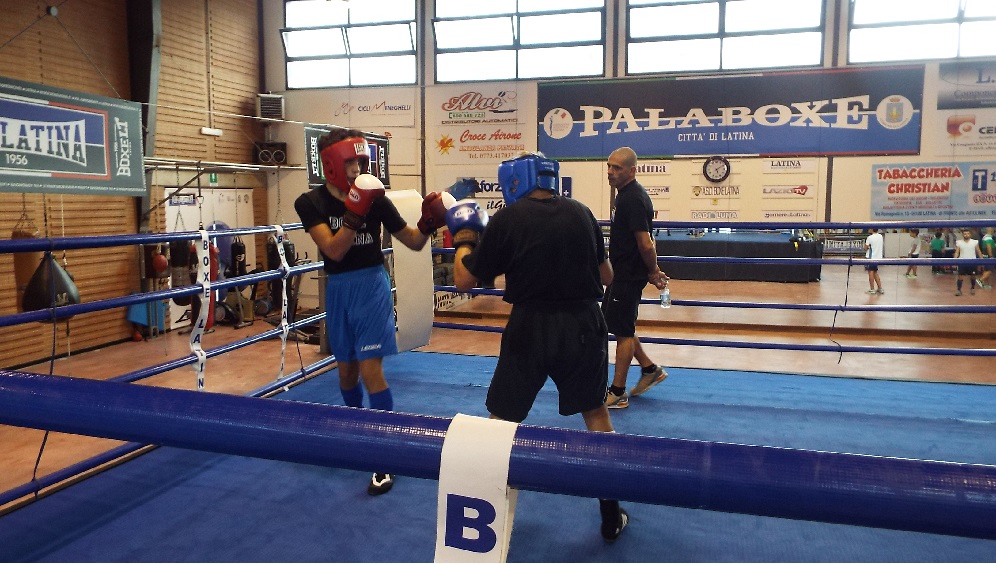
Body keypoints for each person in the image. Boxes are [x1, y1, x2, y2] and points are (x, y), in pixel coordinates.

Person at [448, 152, 629, 542]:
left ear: (514, 180)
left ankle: (484, 517)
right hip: (583, 324)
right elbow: (607, 275)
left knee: (502, 421)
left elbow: (464, 280)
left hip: (530, 326)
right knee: (596, 414)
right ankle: (611, 514)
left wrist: (463, 237)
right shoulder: (583, 212)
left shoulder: (508, 219)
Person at [294, 128, 448, 496]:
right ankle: (357, 428)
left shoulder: (375, 197)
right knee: (346, 372)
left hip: (371, 287)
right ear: (332, 164)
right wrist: (354, 212)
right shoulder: (310, 202)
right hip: (338, 289)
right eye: (351, 161)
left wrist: (429, 222)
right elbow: (334, 251)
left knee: (369, 369)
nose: (358, 168)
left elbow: (412, 241)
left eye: (361, 161)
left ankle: (385, 453)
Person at [601, 147, 669, 409]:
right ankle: (649, 369)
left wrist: (653, 271)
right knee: (620, 325)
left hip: (628, 275)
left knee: (624, 332)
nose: (610, 172)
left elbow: (646, 243)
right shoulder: (626, 195)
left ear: (632, 171)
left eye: (616, 168)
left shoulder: (633, 198)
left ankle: (618, 392)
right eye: (609, 166)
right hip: (620, 274)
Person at [953, 228, 982, 296]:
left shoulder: (974, 242)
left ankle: (972, 288)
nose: (966, 235)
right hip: (962, 261)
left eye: (968, 233)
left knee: (973, 276)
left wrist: (982, 261)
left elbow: (978, 251)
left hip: (972, 261)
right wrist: (954, 261)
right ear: (963, 234)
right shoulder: (959, 242)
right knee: (960, 276)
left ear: (970, 234)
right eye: (965, 234)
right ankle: (958, 290)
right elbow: (957, 252)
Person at [864, 228, 884, 294]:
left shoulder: (870, 237)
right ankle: (880, 288)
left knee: (871, 272)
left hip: (871, 257)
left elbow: (865, 248)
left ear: (872, 229)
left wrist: (867, 247)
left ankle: (872, 289)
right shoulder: (880, 236)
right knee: (875, 272)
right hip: (878, 257)